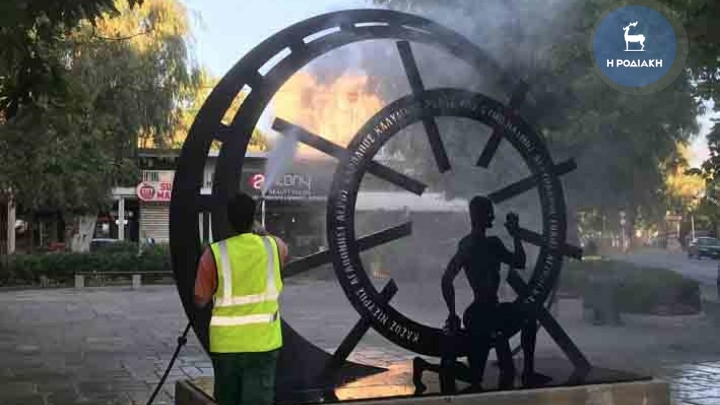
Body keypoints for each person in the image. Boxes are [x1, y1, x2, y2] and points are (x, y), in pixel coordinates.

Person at [194, 192, 289, 405]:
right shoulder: (274, 247)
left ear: (228, 221)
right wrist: (262, 232)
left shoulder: (213, 254)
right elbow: (284, 255)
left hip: (226, 346)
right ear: (253, 218)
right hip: (264, 343)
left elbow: (200, 300)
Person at [441, 195, 538, 391]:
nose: (493, 217)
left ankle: (436, 368)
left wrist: (452, 313)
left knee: (476, 376)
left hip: (479, 314)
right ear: (480, 216)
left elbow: (446, 280)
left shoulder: (468, 245)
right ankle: (528, 372)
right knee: (477, 375)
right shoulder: (491, 245)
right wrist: (515, 234)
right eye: (489, 213)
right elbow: (519, 262)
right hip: (488, 314)